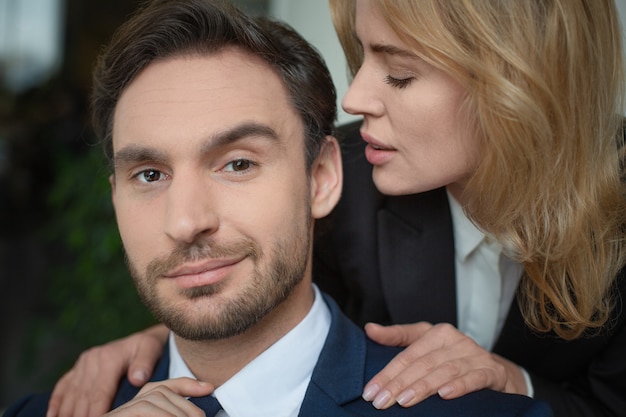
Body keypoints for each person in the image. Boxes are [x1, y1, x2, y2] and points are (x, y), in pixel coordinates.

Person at [45, 0, 626, 416]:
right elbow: (246, 290)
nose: (354, 99)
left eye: (399, 74)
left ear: (518, 86)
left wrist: (514, 384)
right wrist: (162, 345)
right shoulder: (352, 169)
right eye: (361, 59)